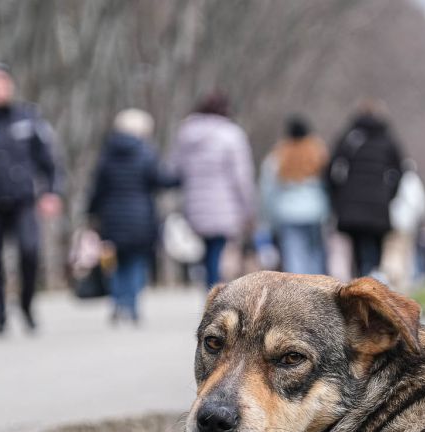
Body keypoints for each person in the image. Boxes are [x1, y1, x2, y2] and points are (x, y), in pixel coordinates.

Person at [0, 63, 63, 335]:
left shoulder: (28, 119)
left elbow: (48, 160)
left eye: (1, 83)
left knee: (29, 251)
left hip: (23, 201)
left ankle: (26, 304)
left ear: (10, 86)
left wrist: (51, 191)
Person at [87, 109, 178, 325]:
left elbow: (97, 189)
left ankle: (118, 302)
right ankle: (134, 305)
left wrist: (91, 213)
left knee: (116, 263)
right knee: (137, 261)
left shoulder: (106, 154)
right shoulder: (146, 153)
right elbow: (160, 180)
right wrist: (180, 178)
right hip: (141, 217)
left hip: (112, 218)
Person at [170, 92, 256, 289]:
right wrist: (248, 208)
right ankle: (213, 290)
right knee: (217, 250)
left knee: (208, 249)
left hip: (195, 205)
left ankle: (209, 285)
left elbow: (175, 169)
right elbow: (242, 176)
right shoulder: (231, 134)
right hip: (224, 204)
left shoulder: (185, 133)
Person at [327, 100, 404, 278]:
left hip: (352, 205)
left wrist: (338, 197)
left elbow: (332, 168)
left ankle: (361, 283)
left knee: (357, 249)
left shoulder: (349, 137)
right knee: (377, 248)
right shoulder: (387, 139)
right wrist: (389, 194)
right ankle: (375, 282)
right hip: (378, 203)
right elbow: (399, 170)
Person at [259, 115, 328, 275]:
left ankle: (297, 291)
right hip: (314, 211)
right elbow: (327, 184)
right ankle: (316, 291)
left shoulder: (278, 156)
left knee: (293, 255)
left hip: (287, 213)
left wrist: (268, 216)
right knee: (315, 254)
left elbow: (267, 188)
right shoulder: (317, 154)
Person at [383, 159, 425, 290]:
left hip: (392, 222)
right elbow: (420, 205)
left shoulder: (392, 178)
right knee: (403, 255)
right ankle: (399, 283)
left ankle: (391, 280)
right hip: (407, 225)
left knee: (392, 253)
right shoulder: (413, 182)